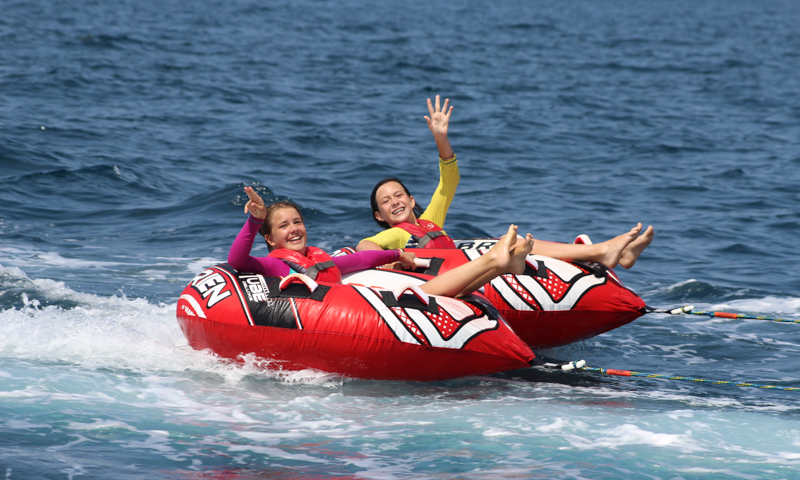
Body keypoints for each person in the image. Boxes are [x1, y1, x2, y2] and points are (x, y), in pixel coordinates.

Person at [356, 95, 655, 270]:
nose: (395, 201)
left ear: (411, 200)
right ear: (379, 216)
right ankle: (603, 251)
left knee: (519, 242)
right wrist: (395, 259)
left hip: (465, 266)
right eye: (386, 201)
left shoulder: (431, 220)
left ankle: (606, 254)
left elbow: (449, 179)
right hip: (456, 274)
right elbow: (364, 247)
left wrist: (441, 138)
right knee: (507, 243)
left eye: (399, 195)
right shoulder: (395, 236)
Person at [228, 187, 534, 298]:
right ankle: (493, 261)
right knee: (421, 293)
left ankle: (499, 266)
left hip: (350, 307)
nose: (294, 229)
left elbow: (360, 260)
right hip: (334, 316)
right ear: (269, 238)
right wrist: (255, 220)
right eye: (284, 226)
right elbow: (237, 262)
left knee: (438, 294)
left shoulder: (320, 258)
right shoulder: (273, 263)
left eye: (298, 222)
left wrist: (400, 254)